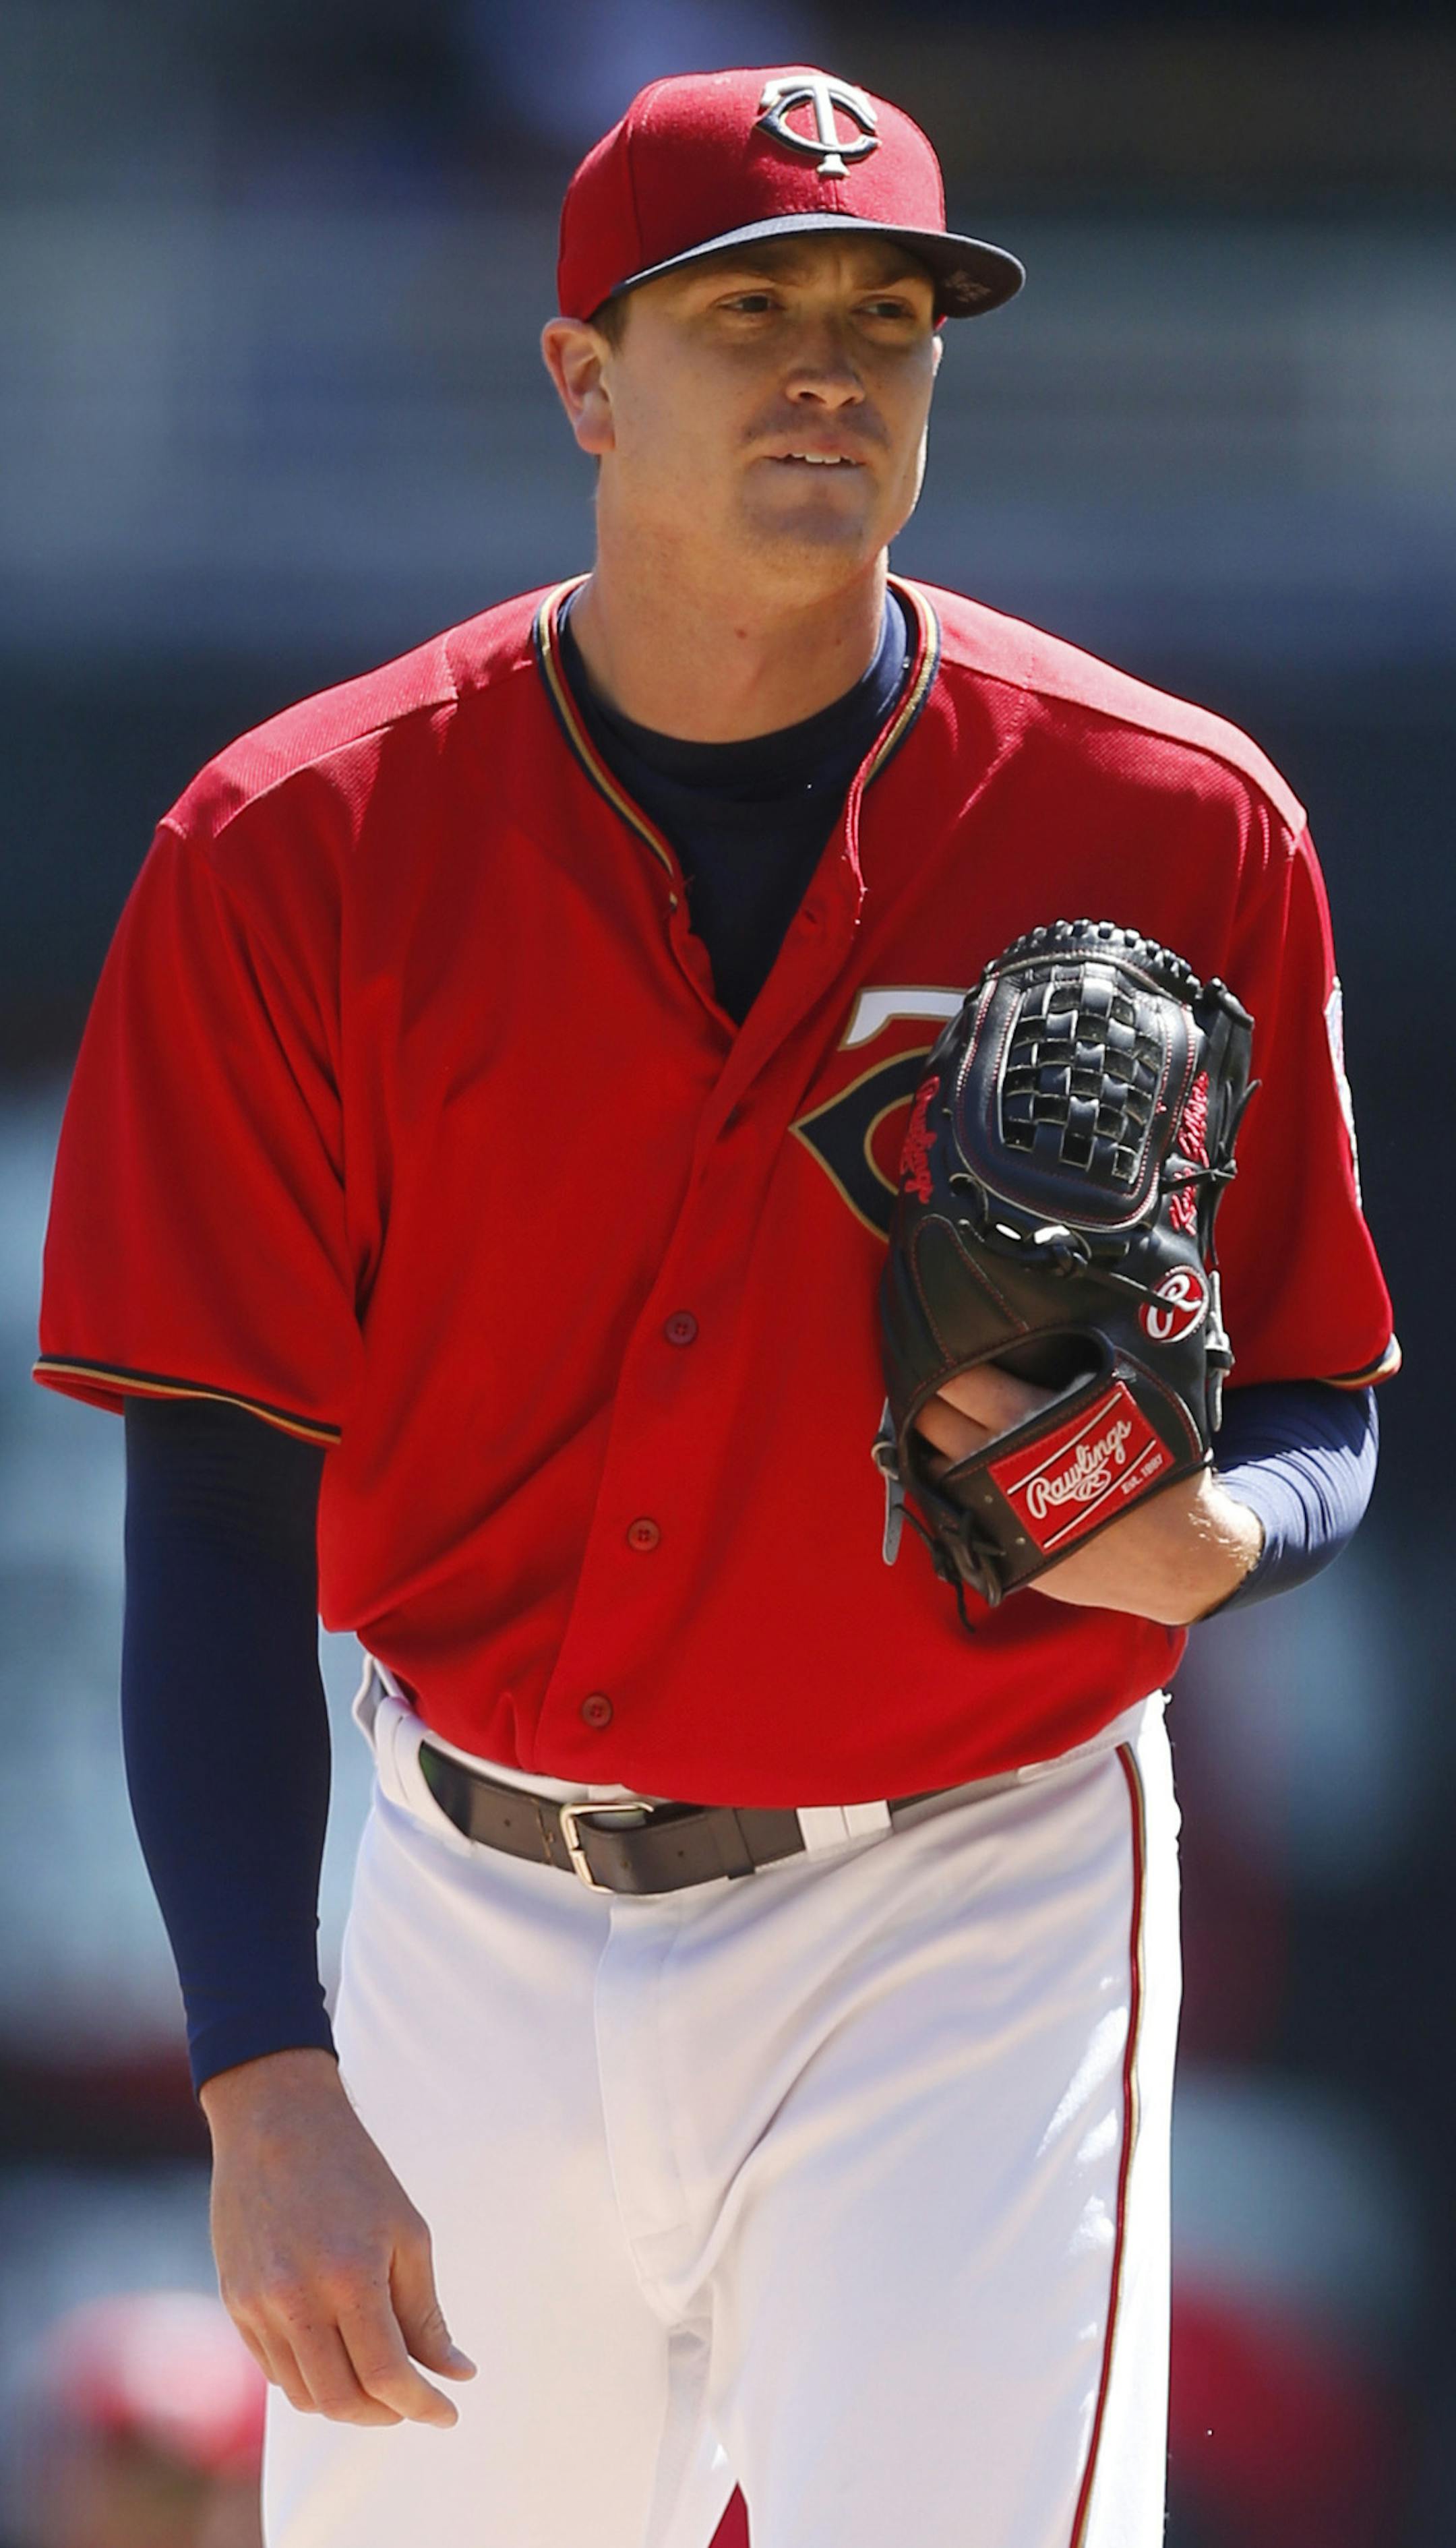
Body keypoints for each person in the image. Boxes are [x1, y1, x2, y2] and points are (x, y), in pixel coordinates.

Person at [35, 64, 1397, 2548]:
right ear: (581, 373)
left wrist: (1225, 1537)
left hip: (972, 1885)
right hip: (468, 1893)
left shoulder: (1175, 821)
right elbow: (215, 1504)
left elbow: (1324, 1393)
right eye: (746, 305)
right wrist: (265, 2074)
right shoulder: (293, 852)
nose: (827, 367)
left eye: (891, 316)